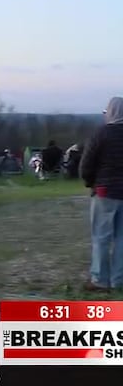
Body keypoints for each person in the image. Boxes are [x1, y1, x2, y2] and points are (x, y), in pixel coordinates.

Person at [80, 97, 123, 291]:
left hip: (105, 191)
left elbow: (86, 164)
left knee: (101, 237)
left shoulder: (101, 134)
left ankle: (100, 279)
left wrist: (91, 182)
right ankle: (119, 279)